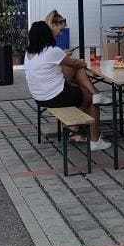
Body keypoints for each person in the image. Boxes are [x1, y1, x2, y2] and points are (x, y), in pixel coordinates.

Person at [25, 19, 110, 151]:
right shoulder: (52, 50)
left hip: (39, 98)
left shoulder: (28, 53)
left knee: (75, 77)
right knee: (92, 99)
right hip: (56, 96)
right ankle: (95, 140)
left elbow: (59, 63)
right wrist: (83, 63)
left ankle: (75, 129)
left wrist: (66, 58)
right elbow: (75, 63)